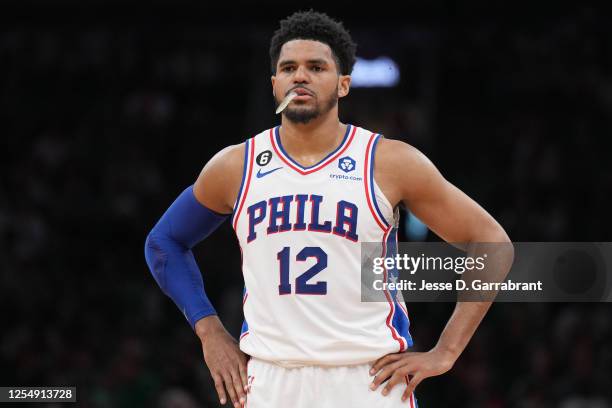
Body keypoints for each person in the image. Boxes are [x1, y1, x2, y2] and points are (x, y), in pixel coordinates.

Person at [145, 10, 512, 408]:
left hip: (368, 379)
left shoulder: (389, 161)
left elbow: (491, 241)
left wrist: (446, 352)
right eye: (288, 68)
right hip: (270, 378)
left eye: (316, 67)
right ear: (274, 84)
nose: (299, 76)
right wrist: (210, 331)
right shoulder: (236, 166)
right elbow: (164, 241)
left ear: (343, 84)